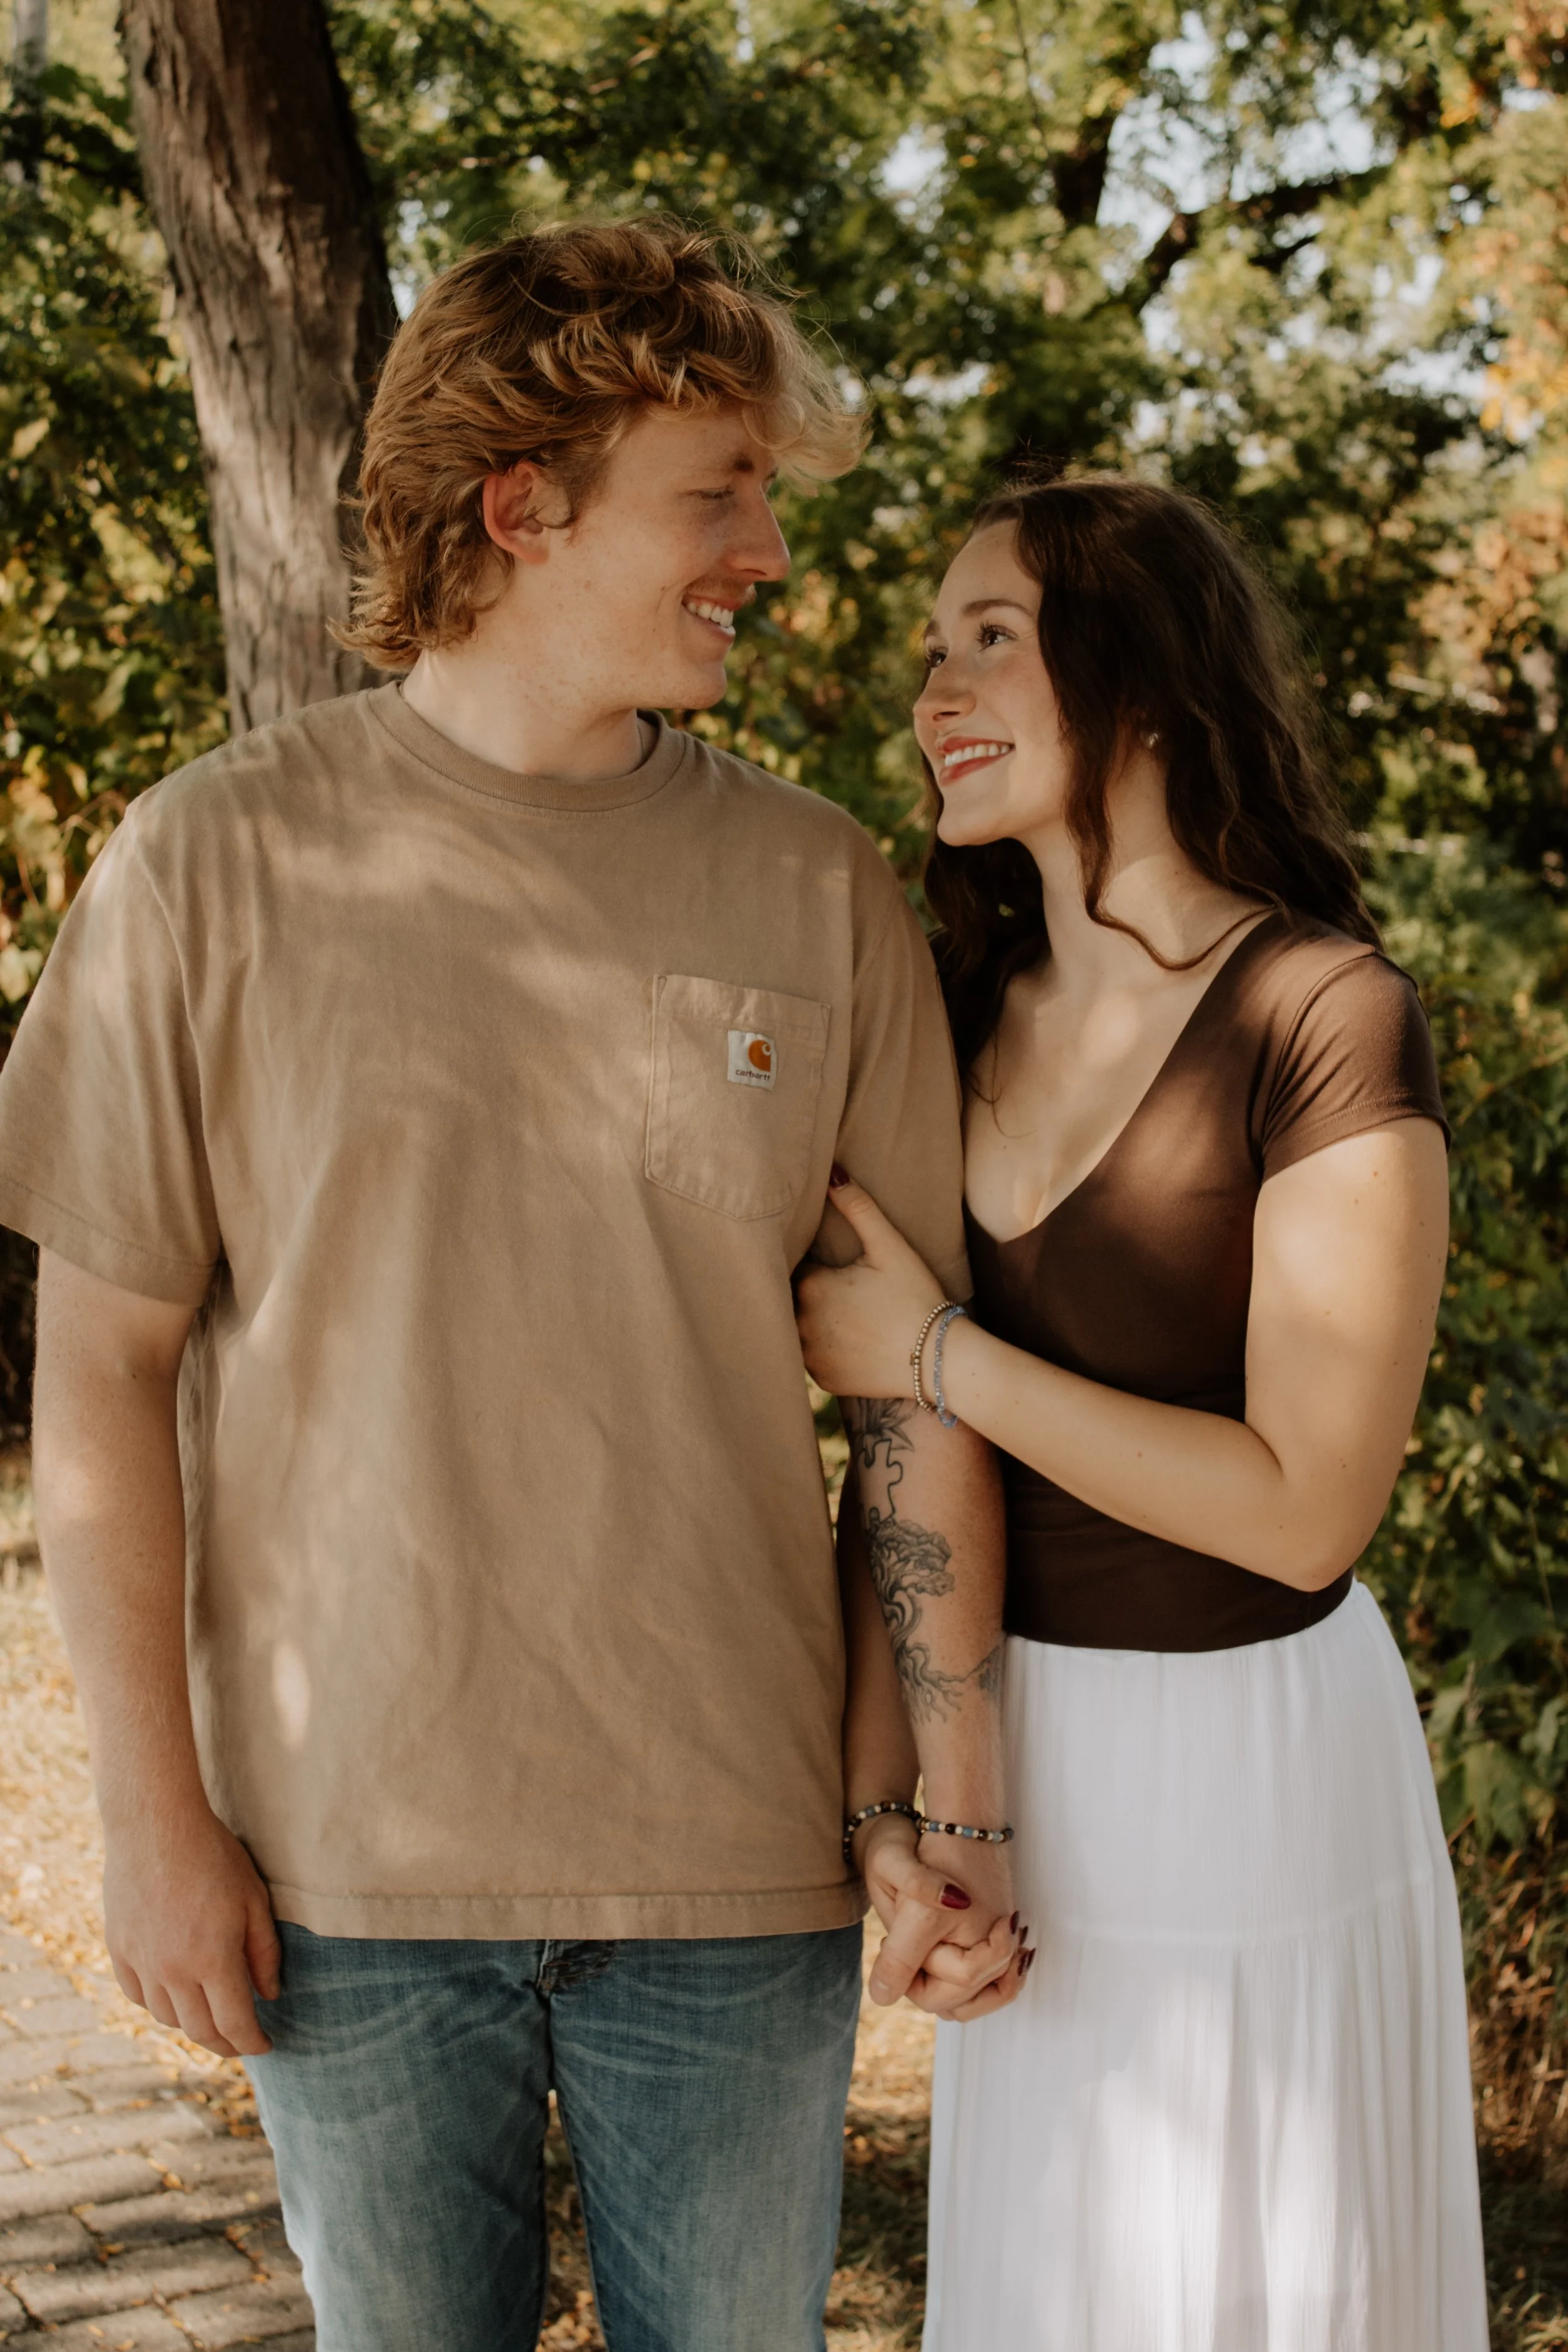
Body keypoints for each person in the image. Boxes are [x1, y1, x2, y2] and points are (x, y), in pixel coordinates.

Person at [0, 218, 1018, 2352]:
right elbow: (100, 1372)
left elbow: (912, 1412)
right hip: (340, 1872)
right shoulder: (212, 864)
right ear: (521, 503)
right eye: (713, 489)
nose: (764, 543)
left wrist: (919, 1798)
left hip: (735, 1866)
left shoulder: (819, 889)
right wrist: (152, 1815)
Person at [796, 474, 1490, 2349]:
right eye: (927, 649)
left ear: (1152, 687)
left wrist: (941, 1349)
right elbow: (893, 1469)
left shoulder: (1322, 1014)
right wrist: (909, 1808)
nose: (933, 686)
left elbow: (1300, 1506)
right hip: (1026, 1770)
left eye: (990, 638)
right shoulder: (942, 1012)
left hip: (1260, 1765)